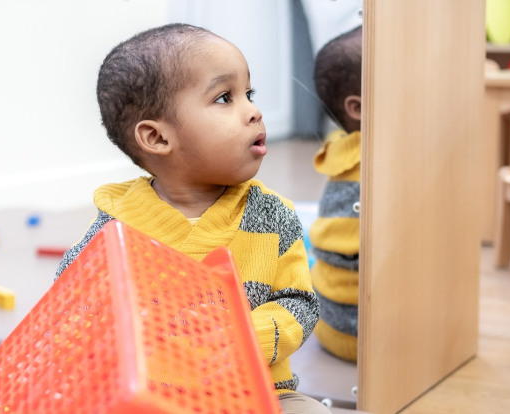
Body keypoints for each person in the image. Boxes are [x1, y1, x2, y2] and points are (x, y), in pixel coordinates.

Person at [54, 23, 326, 414]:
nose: (254, 111)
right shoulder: (118, 225)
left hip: (257, 393)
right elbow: (72, 300)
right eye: (224, 98)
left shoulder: (272, 215)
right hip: (154, 399)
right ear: (159, 138)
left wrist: (244, 336)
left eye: (248, 94)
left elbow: (299, 302)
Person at [309, 25, 362, 363]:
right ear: (357, 107)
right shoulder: (389, 158)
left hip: (328, 322)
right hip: (363, 334)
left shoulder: (343, 147)